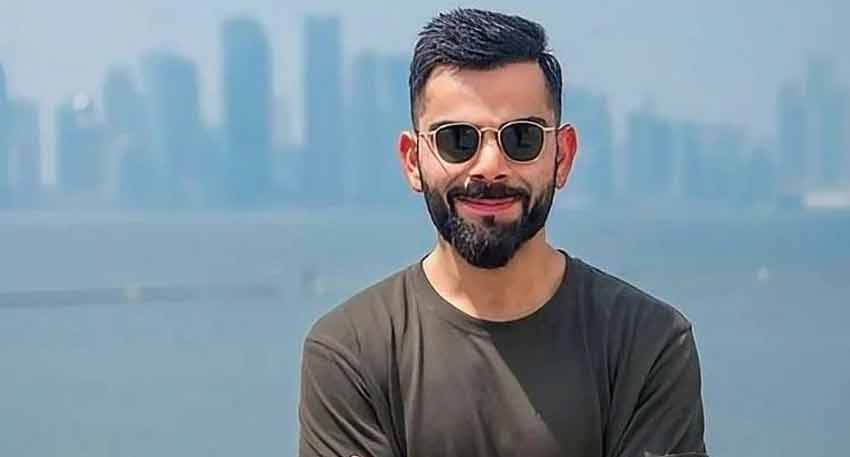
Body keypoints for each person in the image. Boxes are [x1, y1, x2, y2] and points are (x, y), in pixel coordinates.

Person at [298, 8, 707, 457]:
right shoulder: (351, 352)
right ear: (413, 160)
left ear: (562, 156)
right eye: (458, 139)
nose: (490, 166)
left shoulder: (647, 343)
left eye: (521, 139)